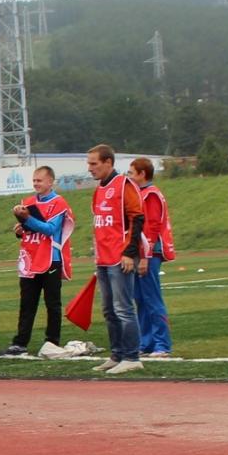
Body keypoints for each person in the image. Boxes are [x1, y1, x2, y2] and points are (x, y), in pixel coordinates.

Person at [86, 144, 146, 376]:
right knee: (109, 310)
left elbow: (137, 219)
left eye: (94, 163)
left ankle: (132, 356)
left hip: (119, 257)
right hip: (103, 258)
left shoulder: (124, 185)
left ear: (108, 162)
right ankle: (117, 354)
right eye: (89, 163)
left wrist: (130, 252)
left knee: (123, 309)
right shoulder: (99, 190)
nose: (90, 168)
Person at [6, 165, 74, 356]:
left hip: (51, 258)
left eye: (40, 180)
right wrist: (20, 230)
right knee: (27, 302)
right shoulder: (27, 201)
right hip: (30, 258)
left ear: (50, 182)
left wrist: (27, 219)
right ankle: (20, 342)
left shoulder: (59, 203)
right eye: (34, 180)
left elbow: (51, 229)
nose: (36, 183)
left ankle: (52, 340)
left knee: (52, 303)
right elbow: (29, 228)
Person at [129, 158, 176, 357]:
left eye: (131, 173)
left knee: (152, 298)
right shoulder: (139, 194)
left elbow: (152, 226)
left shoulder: (151, 195)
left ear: (142, 174)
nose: (129, 176)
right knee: (139, 297)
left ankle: (162, 344)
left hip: (150, 252)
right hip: (139, 252)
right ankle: (146, 342)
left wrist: (146, 256)